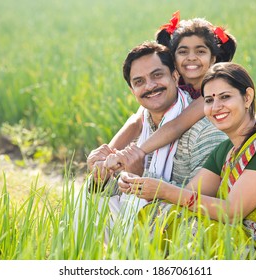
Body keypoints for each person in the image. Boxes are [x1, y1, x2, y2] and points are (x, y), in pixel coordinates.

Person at [118, 62, 256, 259]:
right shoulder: (226, 150)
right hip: (242, 239)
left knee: (190, 226)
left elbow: (233, 211)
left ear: (247, 97)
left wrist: (164, 190)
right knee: (162, 212)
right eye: (209, 100)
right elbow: (190, 193)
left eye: (225, 97)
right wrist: (137, 182)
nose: (216, 107)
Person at [86, 41, 227, 243]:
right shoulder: (140, 127)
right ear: (132, 90)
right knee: (86, 199)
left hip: (187, 227)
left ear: (175, 76)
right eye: (139, 81)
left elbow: (201, 200)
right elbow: (120, 192)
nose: (150, 86)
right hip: (151, 218)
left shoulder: (205, 130)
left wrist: (140, 176)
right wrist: (102, 178)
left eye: (157, 75)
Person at [87, 12, 237, 178]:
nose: (191, 58)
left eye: (200, 51)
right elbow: (137, 120)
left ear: (213, 58)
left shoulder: (212, 91)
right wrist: (108, 155)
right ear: (173, 58)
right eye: (183, 52)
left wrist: (137, 153)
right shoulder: (174, 84)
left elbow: (176, 126)